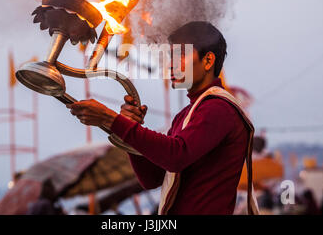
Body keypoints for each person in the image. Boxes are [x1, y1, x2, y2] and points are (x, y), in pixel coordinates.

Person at [67, 21, 257, 215]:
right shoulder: (185, 115)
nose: (171, 64)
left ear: (208, 61)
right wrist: (130, 130)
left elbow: (176, 156)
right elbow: (152, 179)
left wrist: (111, 119)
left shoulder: (219, 108)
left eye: (180, 56)